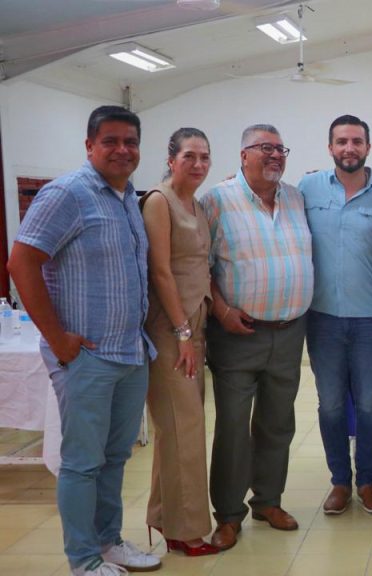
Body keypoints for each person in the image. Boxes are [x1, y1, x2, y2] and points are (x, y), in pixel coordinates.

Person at [9, 105, 162, 575]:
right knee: (82, 462)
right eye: (110, 141)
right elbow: (22, 262)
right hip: (87, 358)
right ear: (89, 145)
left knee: (115, 458)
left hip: (130, 352)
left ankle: (108, 542)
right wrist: (57, 339)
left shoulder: (127, 197)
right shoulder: (67, 194)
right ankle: (83, 559)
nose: (122, 150)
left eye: (130, 142)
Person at [201, 124, 313, 550]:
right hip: (237, 333)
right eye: (265, 148)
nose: (275, 155)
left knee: (278, 423)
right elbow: (199, 265)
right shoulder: (216, 200)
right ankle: (229, 515)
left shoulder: (296, 198)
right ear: (243, 154)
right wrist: (222, 310)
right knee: (232, 426)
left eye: (280, 149)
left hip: (289, 332)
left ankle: (268, 501)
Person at [299, 115, 372, 517]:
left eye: (357, 141)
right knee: (332, 405)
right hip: (322, 318)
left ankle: (367, 482)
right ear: (330, 147)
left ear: (368, 147)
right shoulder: (307, 188)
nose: (349, 148)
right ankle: (340, 481)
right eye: (342, 141)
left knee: (371, 404)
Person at [140, 127, 219, 557]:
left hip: (196, 323)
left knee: (176, 427)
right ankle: (186, 530)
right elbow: (160, 271)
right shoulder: (159, 201)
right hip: (172, 328)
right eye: (190, 156)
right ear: (171, 159)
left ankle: (163, 515)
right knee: (184, 427)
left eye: (204, 157)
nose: (198, 164)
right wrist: (181, 332)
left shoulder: (197, 204)